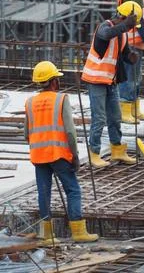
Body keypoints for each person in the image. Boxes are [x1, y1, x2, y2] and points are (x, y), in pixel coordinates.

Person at [24, 61, 99, 243]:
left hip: (39, 156)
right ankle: (78, 231)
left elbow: (27, 133)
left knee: (44, 193)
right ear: (53, 81)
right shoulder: (61, 99)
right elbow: (70, 132)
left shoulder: (29, 102)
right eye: (57, 78)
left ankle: (46, 235)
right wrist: (74, 155)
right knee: (73, 190)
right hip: (58, 154)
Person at [81, 1, 142, 168]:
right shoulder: (104, 26)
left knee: (115, 117)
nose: (130, 28)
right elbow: (106, 35)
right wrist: (124, 25)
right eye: (130, 24)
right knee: (99, 118)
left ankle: (117, 149)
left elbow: (124, 53)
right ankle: (94, 153)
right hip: (96, 80)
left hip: (111, 81)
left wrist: (131, 57)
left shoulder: (123, 34)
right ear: (122, 17)